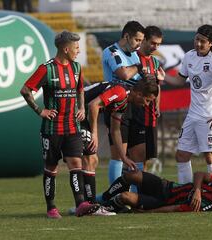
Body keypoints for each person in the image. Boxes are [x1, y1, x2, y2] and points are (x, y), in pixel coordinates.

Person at [20, 31, 100, 218]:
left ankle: (80, 203)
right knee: (51, 167)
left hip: (73, 126)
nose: (78, 51)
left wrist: (81, 108)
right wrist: (40, 111)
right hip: (52, 128)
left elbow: (80, 89)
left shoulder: (76, 68)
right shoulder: (46, 69)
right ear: (66, 49)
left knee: (75, 163)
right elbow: (25, 90)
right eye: (76, 48)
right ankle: (51, 207)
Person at [78, 76, 159, 215]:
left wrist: (124, 157)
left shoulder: (125, 101)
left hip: (82, 116)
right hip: (74, 111)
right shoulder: (121, 92)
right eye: (147, 100)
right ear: (139, 94)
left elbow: (116, 130)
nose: (146, 105)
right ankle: (88, 206)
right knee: (90, 160)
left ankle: (86, 205)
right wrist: (94, 134)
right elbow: (93, 105)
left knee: (90, 160)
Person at [165, 24, 212, 184]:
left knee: (209, 156)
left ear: (210, 43)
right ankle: (185, 192)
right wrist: (164, 76)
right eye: (196, 39)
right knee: (181, 155)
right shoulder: (189, 56)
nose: (198, 44)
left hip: (211, 117)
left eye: (203, 41)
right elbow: (179, 80)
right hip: (193, 115)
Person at [101, 21, 145, 184]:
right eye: (137, 40)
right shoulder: (112, 51)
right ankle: (115, 197)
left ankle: (136, 196)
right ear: (126, 36)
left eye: (141, 41)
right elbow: (124, 74)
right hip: (117, 105)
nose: (139, 45)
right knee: (120, 154)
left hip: (135, 104)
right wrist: (140, 67)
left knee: (139, 152)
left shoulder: (134, 54)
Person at [99, 171, 212, 213]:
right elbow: (200, 174)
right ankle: (103, 199)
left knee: (125, 196)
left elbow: (175, 208)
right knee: (132, 175)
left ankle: (101, 208)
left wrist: (150, 212)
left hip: (161, 201)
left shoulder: (203, 206)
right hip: (166, 186)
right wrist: (197, 189)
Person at [136, 26, 165, 172]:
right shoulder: (133, 58)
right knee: (135, 154)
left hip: (150, 115)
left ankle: (140, 189)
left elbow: (157, 87)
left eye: (158, 44)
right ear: (144, 39)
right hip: (135, 113)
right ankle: (131, 189)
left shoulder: (155, 62)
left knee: (147, 156)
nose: (155, 47)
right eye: (153, 43)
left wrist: (158, 106)